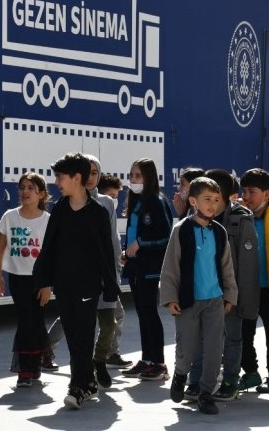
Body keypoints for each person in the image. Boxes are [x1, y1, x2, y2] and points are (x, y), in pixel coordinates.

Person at [33, 153, 120, 410]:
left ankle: (78, 386)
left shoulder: (97, 213)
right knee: (72, 335)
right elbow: (49, 247)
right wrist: (44, 281)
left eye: (61, 177)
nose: (57, 182)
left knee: (83, 334)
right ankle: (88, 382)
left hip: (88, 286)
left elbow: (106, 251)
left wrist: (110, 287)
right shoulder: (59, 208)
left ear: (77, 178)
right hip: (64, 283)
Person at [161, 177, 237, 415]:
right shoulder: (181, 230)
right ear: (193, 201)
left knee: (215, 349)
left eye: (217, 200)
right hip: (188, 301)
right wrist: (170, 297)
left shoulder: (219, 232)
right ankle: (181, 374)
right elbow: (171, 266)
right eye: (207, 199)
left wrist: (229, 296)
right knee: (187, 346)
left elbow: (226, 267)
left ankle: (205, 394)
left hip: (214, 300)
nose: (213, 205)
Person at [182, 168, 257, 403]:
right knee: (200, 339)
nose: (209, 200)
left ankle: (229, 382)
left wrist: (237, 299)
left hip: (228, 294)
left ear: (222, 195)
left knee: (232, 338)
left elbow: (247, 265)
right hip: (201, 294)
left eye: (213, 195)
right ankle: (196, 383)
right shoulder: (193, 219)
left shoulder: (240, 220)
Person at [0, 173, 50, 387]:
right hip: (18, 278)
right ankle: (24, 370)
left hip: (39, 280)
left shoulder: (47, 220)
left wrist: (47, 284)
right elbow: (0, 247)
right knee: (25, 320)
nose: (25, 192)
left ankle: (34, 365)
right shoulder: (10, 217)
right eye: (22, 187)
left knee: (36, 321)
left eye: (31, 188)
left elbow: (49, 255)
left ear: (41, 194)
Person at [120, 158, 173, 382]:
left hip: (149, 267)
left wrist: (141, 243)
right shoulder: (136, 201)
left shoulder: (156, 201)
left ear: (149, 177)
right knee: (141, 311)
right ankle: (147, 359)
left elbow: (165, 235)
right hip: (135, 265)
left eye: (138, 176)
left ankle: (158, 362)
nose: (134, 180)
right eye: (132, 175)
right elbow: (132, 233)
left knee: (149, 311)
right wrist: (127, 251)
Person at [237, 168, 269, 394]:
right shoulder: (237, 215)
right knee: (243, 333)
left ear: (267, 195)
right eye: (244, 191)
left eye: (252, 192)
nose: (246, 196)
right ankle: (250, 372)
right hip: (245, 288)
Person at [85, 156, 122, 389]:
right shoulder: (69, 201)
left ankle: (99, 361)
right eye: (86, 172)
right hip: (81, 278)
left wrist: (115, 269)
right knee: (84, 328)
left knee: (109, 324)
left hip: (105, 274)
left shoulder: (107, 202)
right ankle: (84, 372)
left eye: (95, 172)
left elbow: (113, 238)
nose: (90, 177)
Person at [96, 173, 131, 368]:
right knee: (116, 315)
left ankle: (46, 347)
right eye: (113, 195)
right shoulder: (102, 211)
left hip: (109, 273)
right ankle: (110, 354)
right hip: (104, 276)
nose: (115, 200)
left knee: (73, 317)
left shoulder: (107, 212)